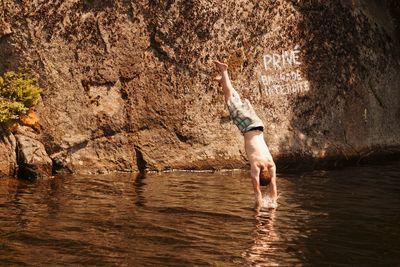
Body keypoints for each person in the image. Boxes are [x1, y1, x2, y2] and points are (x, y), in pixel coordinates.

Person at [213, 60, 278, 208]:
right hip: (248, 126)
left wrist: (274, 204)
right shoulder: (256, 164)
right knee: (230, 100)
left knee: (237, 101)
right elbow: (257, 190)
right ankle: (224, 71)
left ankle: (223, 80)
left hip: (258, 124)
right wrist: (258, 208)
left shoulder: (271, 164)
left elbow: (273, 186)